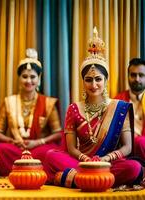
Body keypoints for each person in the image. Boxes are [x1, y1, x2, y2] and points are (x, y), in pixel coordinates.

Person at [44, 28, 143, 188]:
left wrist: (104, 160)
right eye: (88, 79)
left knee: (133, 167)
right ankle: (97, 180)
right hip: (81, 162)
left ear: (105, 80)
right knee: (50, 156)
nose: (94, 84)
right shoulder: (73, 108)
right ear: (83, 81)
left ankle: (76, 180)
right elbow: (70, 148)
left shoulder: (119, 107)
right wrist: (87, 160)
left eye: (98, 79)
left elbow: (128, 147)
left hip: (109, 163)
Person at [0, 48, 62, 177]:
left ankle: (37, 177)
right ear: (19, 78)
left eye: (32, 77)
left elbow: (58, 133)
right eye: (24, 76)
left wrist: (39, 142)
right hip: (16, 148)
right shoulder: (9, 101)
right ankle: (16, 176)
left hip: (38, 148)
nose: (28, 81)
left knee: (49, 153)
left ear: (39, 79)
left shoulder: (48, 103)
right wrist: (12, 141)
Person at [115, 58, 145, 161]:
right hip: (126, 150)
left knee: (141, 142)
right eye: (133, 75)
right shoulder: (118, 100)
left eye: (141, 75)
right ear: (128, 76)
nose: (137, 79)